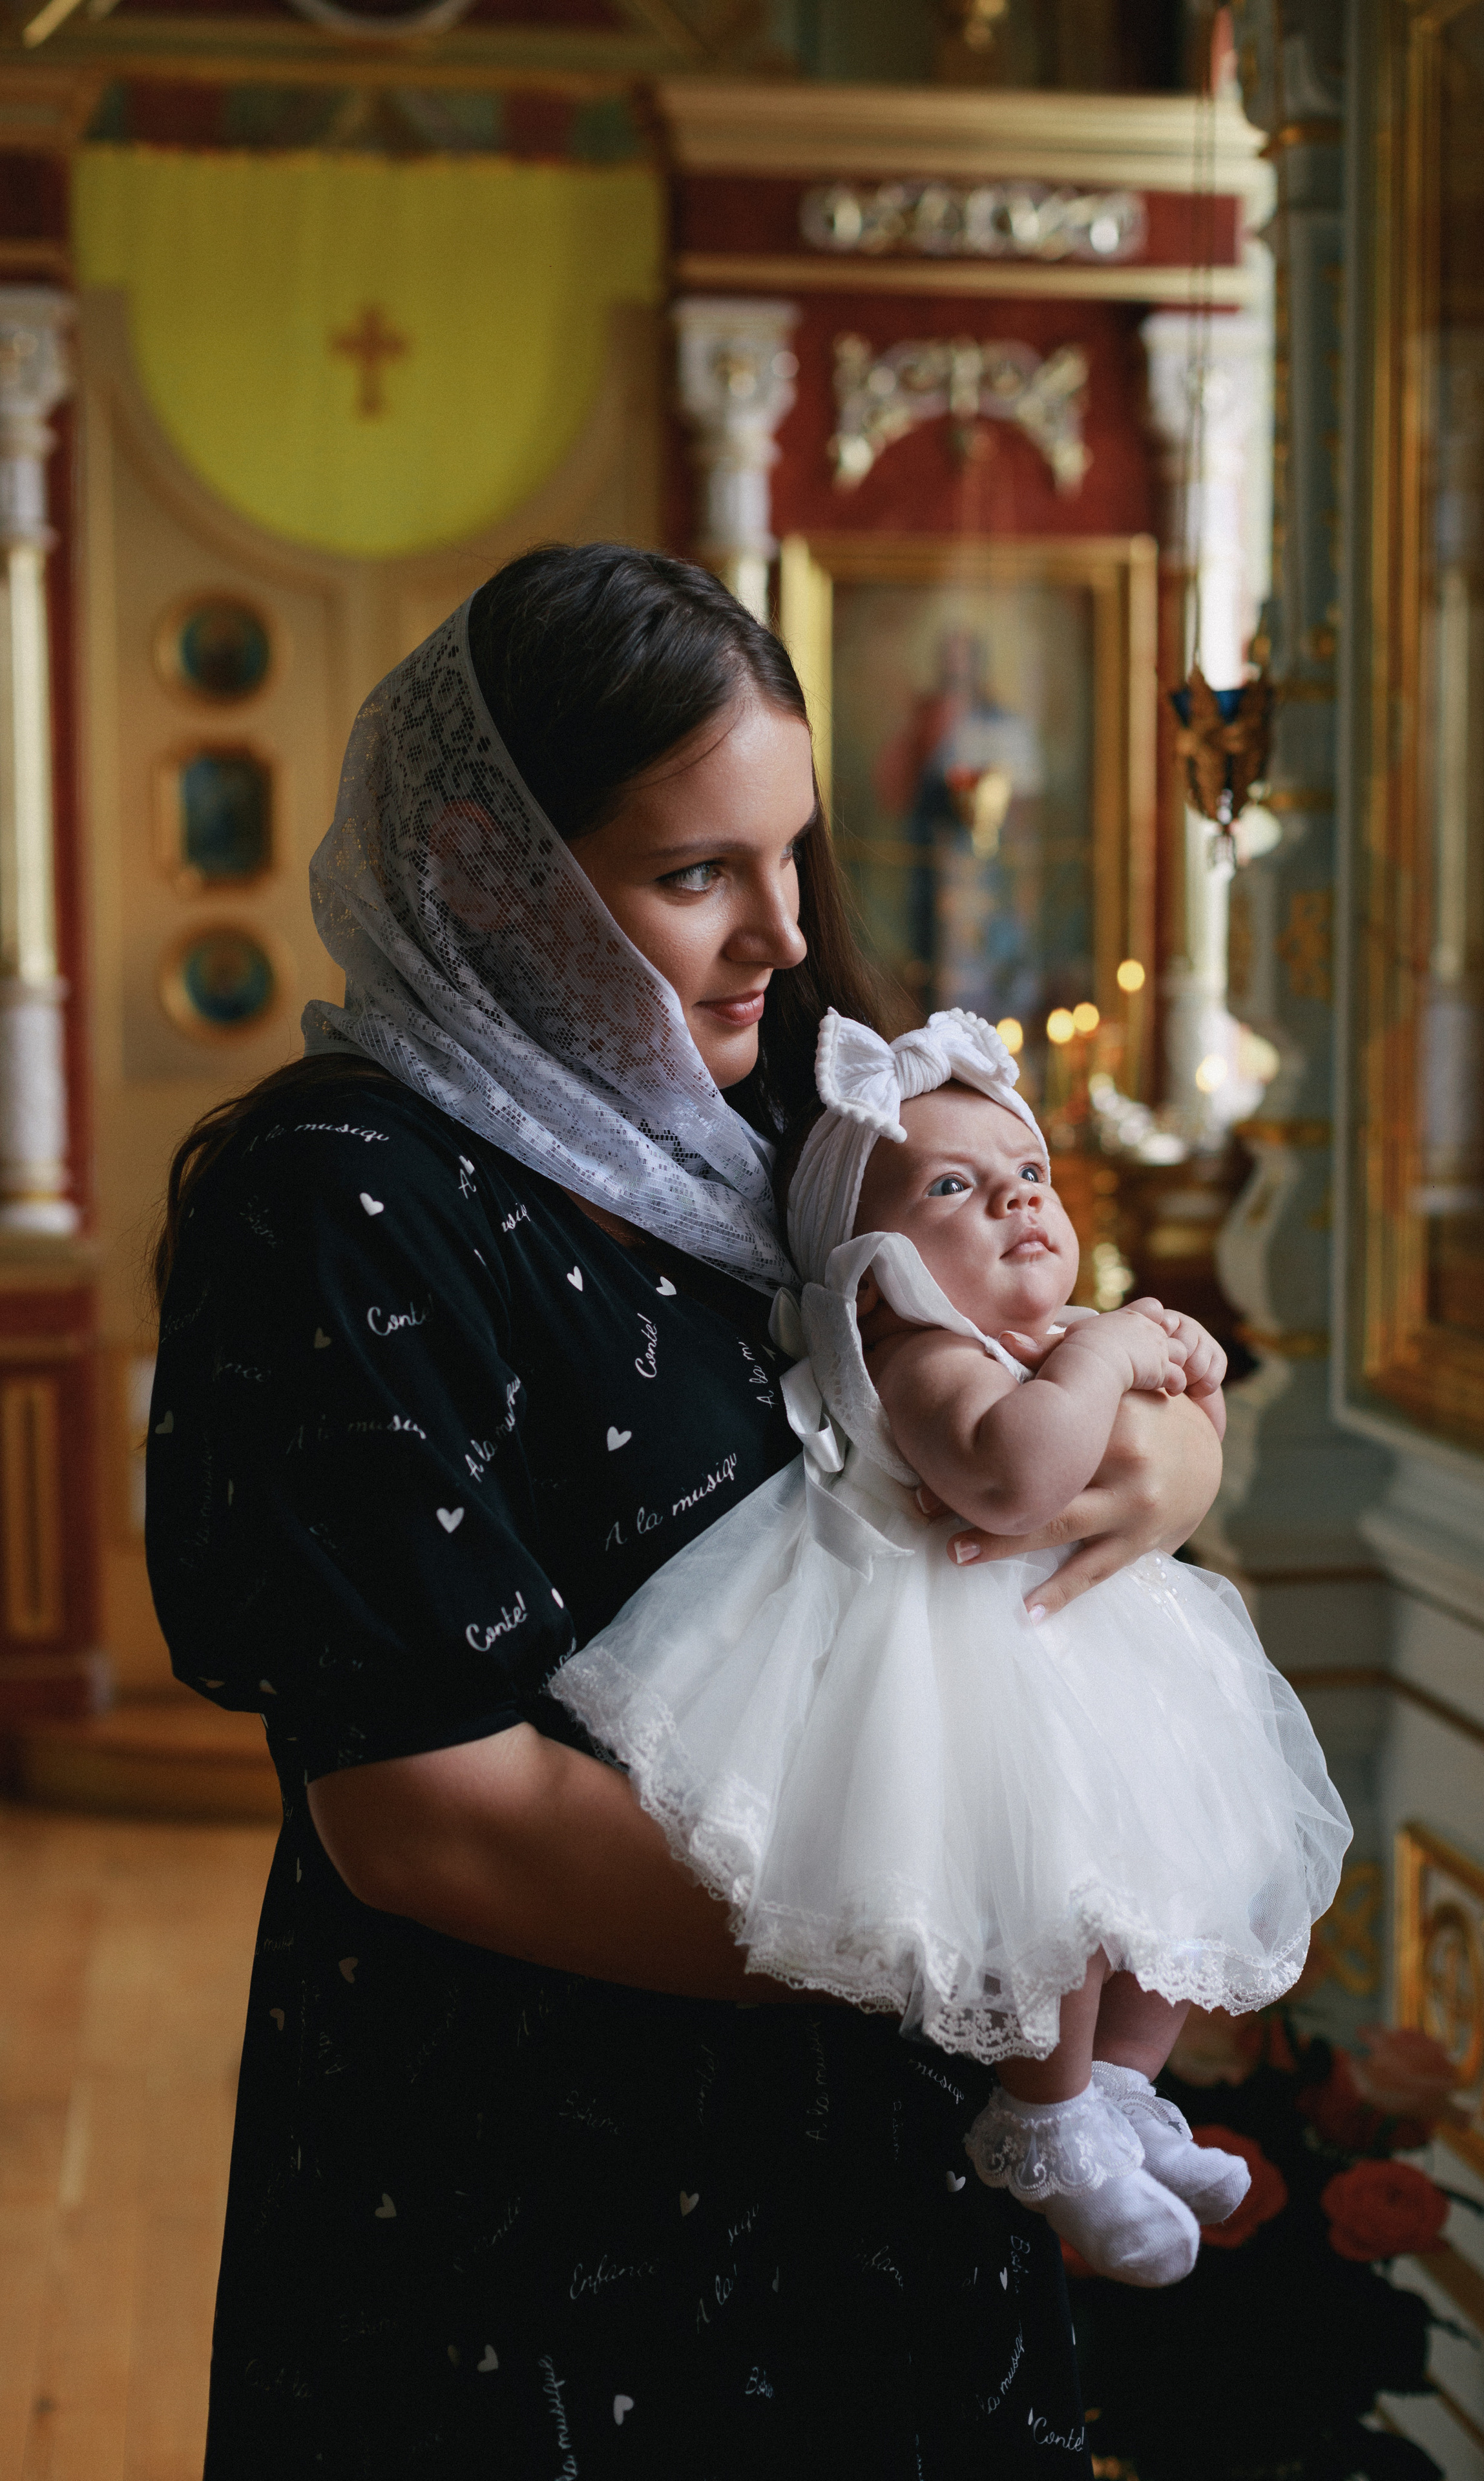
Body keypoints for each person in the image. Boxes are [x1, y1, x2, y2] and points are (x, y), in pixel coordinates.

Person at [146, 543, 1226, 2479]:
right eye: (695, 874)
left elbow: (1032, 1384)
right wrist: (962, 1933)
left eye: (789, 855)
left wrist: (1165, 1450)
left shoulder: (807, 1111)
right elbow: (427, 1818)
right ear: (488, 870)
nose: (780, 936)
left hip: (898, 2152)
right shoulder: (341, 1197)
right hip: (555, 2186)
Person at [555, 1009, 1352, 2290]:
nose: (1014, 1205)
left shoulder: (1024, 1338)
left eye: (1027, 1176)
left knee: (1171, 1875)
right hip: (954, 1669)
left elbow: (1167, 1428)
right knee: (1042, 1889)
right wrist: (1105, 1347)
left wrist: (1182, 1378)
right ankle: (1040, 2120)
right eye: (953, 1189)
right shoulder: (919, 1354)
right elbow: (1013, 1475)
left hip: (1084, 1654)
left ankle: (1119, 2102)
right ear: (870, 1262)